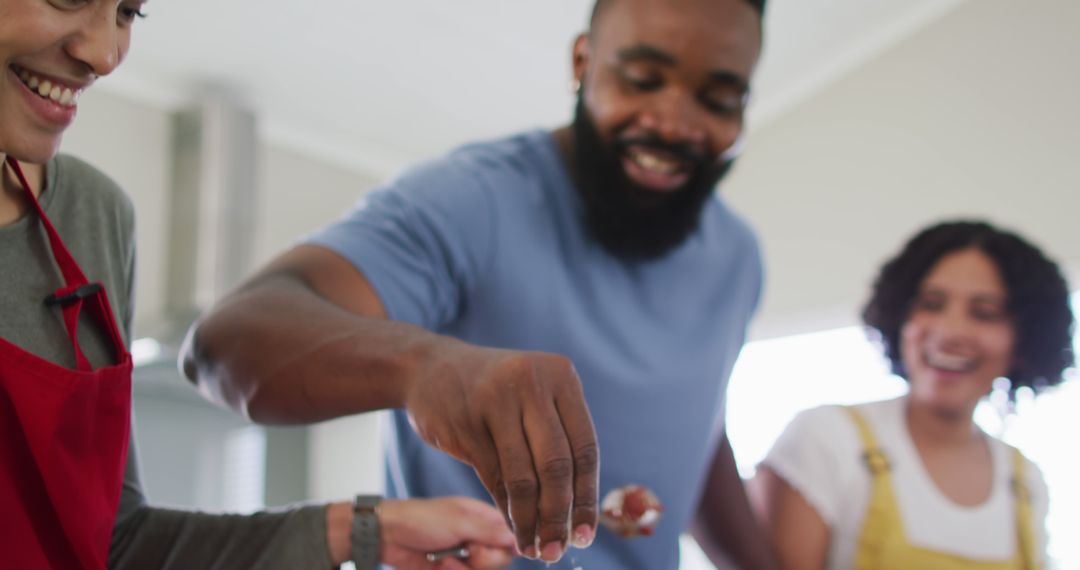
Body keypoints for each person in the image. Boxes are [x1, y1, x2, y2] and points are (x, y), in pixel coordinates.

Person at [183, 0, 777, 568]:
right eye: (643, 79)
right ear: (583, 63)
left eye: (719, 99)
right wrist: (424, 366)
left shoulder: (739, 258)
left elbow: (700, 434)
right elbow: (225, 345)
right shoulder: (470, 200)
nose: (673, 123)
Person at [0, 1, 515, 568]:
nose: (102, 54)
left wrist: (362, 531)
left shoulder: (89, 217)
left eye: (128, 13)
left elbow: (114, 547)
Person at [752, 220, 1075, 569]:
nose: (950, 331)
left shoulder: (1025, 482)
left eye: (984, 313)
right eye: (931, 304)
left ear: (1025, 342)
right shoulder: (827, 438)